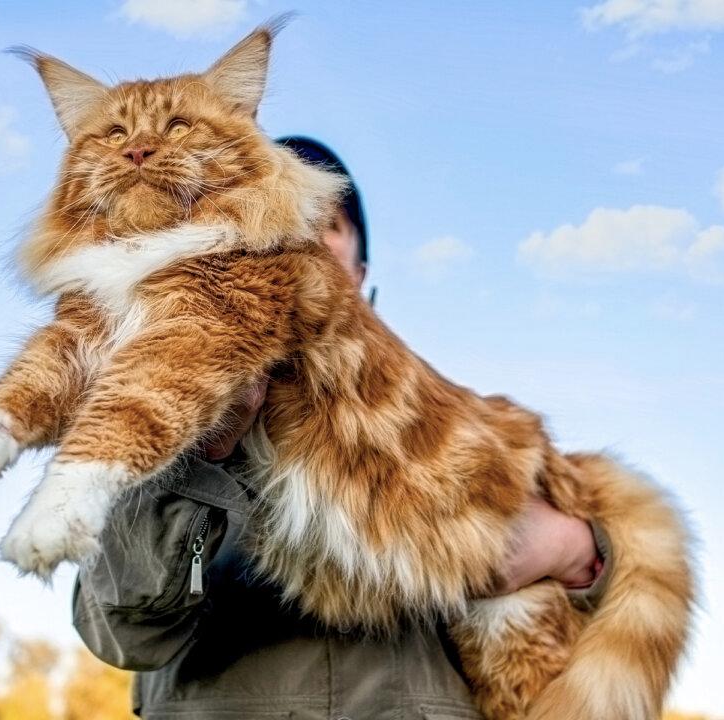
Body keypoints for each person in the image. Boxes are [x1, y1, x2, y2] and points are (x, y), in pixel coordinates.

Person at [72, 137, 612, 719]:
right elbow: (119, 635)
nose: (302, 233)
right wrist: (201, 459)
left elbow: (607, 606)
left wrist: (579, 549)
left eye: (326, 221)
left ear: (359, 273)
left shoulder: (444, 421)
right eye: (274, 210)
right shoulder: (153, 405)